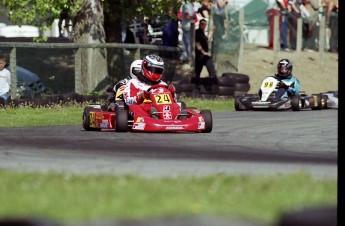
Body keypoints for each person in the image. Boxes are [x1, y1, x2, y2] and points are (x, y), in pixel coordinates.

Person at [123, 54, 180, 119]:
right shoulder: (133, 82)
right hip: (144, 110)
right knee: (133, 107)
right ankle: (148, 119)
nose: (156, 72)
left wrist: (172, 94)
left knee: (176, 105)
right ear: (145, 67)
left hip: (163, 110)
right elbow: (128, 101)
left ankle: (178, 118)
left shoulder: (163, 84)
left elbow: (171, 102)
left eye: (158, 70)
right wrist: (140, 97)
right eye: (154, 70)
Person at [194, 19, 217, 87]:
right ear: (200, 24)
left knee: (197, 73)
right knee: (210, 71)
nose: (204, 25)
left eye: (205, 24)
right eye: (203, 24)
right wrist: (204, 53)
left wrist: (212, 31)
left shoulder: (202, 33)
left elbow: (207, 40)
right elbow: (197, 44)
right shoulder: (197, 32)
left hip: (202, 56)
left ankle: (197, 85)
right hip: (201, 56)